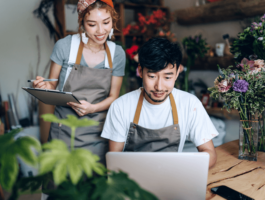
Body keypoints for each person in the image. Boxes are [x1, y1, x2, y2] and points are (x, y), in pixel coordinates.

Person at [101, 37, 218, 168]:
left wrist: (185, 169)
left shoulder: (190, 104)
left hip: (174, 177)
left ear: (177, 72)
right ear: (140, 71)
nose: (159, 87)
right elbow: (114, 159)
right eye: (152, 76)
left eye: (167, 77)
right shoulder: (121, 106)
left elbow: (209, 153)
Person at [33, 0, 125, 165]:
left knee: (94, 186)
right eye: (92, 24)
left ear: (113, 19)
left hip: (99, 134)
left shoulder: (117, 54)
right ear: (82, 22)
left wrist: (93, 108)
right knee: (62, 186)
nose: (100, 31)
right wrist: (43, 86)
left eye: (106, 22)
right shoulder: (65, 46)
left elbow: (113, 96)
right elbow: (52, 86)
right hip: (64, 133)